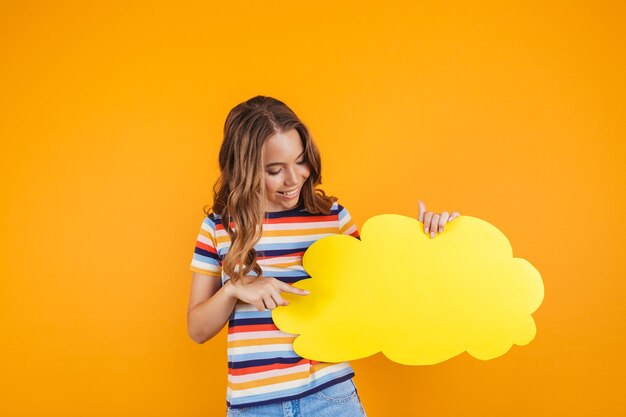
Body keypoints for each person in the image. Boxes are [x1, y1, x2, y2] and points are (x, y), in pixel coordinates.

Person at [187, 95, 460, 416]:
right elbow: (198, 330)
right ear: (244, 169)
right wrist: (234, 288)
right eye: (275, 170)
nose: (294, 179)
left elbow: (383, 291)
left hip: (330, 397)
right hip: (253, 406)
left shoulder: (332, 217)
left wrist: (431, 241)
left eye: (300, 161)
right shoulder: (219, 227)